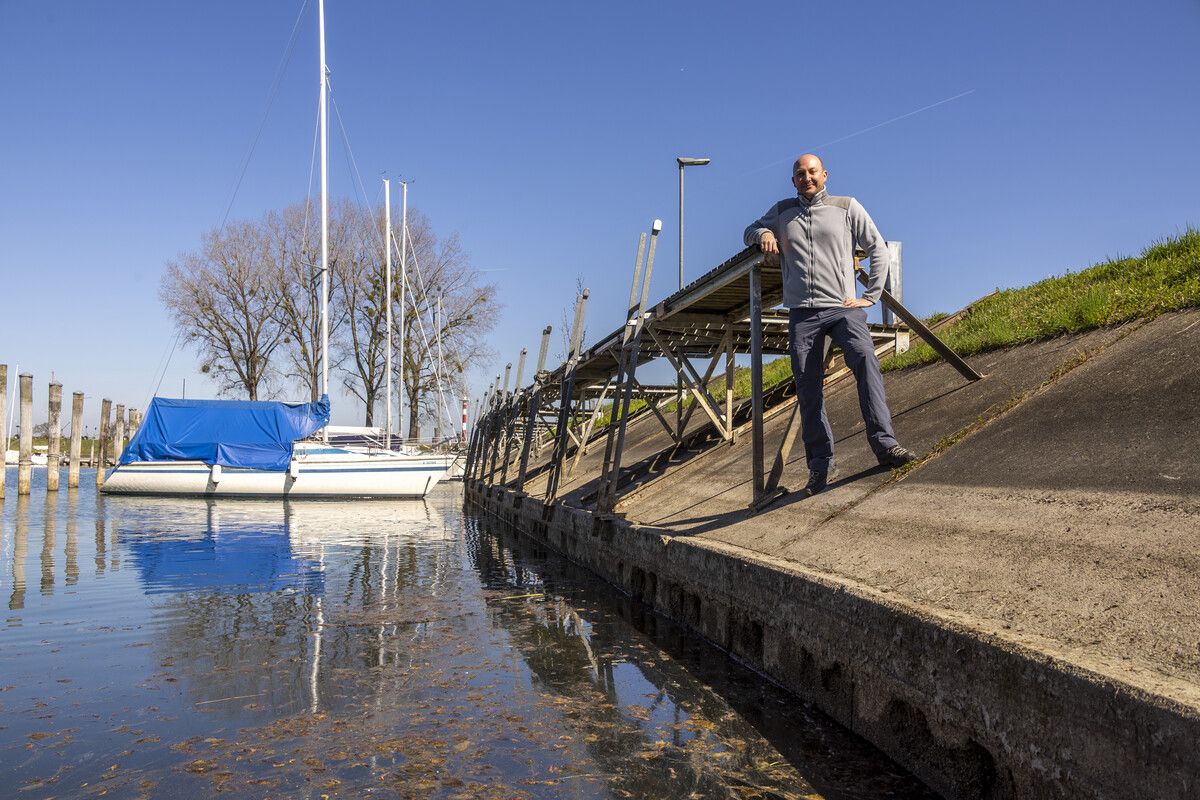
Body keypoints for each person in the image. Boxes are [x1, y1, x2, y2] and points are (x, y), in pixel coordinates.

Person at [744, 153, 916, 496]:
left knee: (866, 362)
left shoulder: (847, 207)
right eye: (799, 174)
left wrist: (870, 295)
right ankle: (820, 466)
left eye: (812, 172)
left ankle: (885, 446)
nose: (806, 177)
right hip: (803, 316)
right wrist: (763, 233)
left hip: (843, 308)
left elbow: (877, 247)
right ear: (793, 181)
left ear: (825, 175)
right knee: (808, 390)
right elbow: (748, 230)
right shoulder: (782, 211)